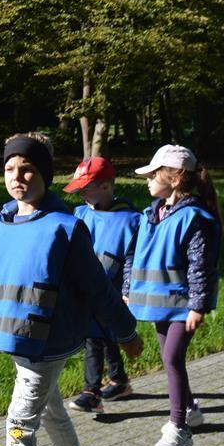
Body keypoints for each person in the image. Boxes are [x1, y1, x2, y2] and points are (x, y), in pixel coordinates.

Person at [0, 134, 143, 446]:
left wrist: (127, 333)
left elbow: (99, 289)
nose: (17, 177)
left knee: (20, 423)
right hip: (15, 339)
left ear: (46, 175)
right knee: (51, 409)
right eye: (9, 169)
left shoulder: (65, 228)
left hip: (47, 344)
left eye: (27, 169)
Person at [124, 145, 221, 446]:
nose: (148, 179)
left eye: (153, 174)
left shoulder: (195, 218)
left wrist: (197, 306)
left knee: (172, 359)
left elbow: (200, 265)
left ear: (175, 178)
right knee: (170, 358)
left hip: (182, 305)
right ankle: (190, 410)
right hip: (158, 304)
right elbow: (132, 254)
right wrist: (128, 288)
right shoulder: (150, 214)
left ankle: (179, 428)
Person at [63, 156, 141, 413]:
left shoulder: (131, 221)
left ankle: (91, 392)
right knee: (102, 335)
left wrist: (128, 292)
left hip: (110, 291)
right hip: (85, 289)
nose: (81, 194)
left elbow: (132, 260)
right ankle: (119, 380)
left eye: (86, 188)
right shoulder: (80, 214)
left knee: (95, 337)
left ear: (106, 187)